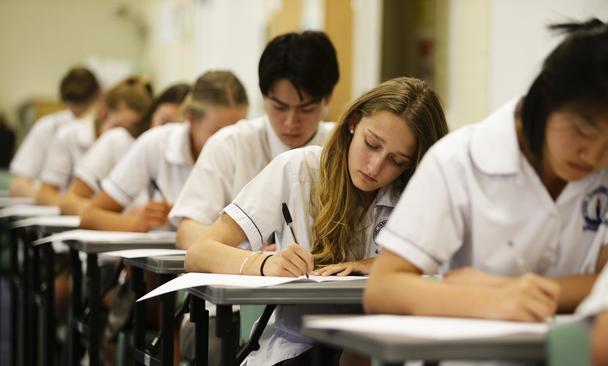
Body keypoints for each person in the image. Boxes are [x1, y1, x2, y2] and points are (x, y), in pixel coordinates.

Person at [364, 19, 608, 324]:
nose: (594, 155)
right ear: (547, 96)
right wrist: (490, 301)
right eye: (582, 131)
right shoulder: (459, 160)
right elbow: (384, 290)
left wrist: (506, 289)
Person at [185, 77, 449, 366]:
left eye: (397, 161)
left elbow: (450, 264)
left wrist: (377, 266)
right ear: (352, 123)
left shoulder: (412, 191)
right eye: (371, 144)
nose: (375, 167)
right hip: (297, 348)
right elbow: (200, 252)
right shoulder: (298, 170)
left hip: (386, 347)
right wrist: (264, 263)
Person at [170, 30, 340, 250]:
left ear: (328, 97)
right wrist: (250, 252)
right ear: (263, 96)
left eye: (305, 109)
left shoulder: (343, 148)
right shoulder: (230, 145)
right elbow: (188, 232)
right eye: (279, 107)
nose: (291, 121)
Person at [79, 70, 248, 232]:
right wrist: (136, 223)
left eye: (237, 131)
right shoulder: (156, 143)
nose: (229, 143)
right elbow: (90, 216)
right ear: (191, 119)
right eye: (217, 132)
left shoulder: (250, 147)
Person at [59, 83, 190, 215]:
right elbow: (70, 201)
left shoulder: (191, 159)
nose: (170, 133)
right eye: (165, 122)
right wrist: (117, 217)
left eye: (181, 127)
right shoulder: (118, 141)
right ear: (152, 115)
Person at [34, 76, 153, 206]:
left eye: (131, 131)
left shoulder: (129, 145)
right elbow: (44, 195)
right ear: (103, 111)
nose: (123, 136)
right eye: (118, 126)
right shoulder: (68, 136)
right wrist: (96, 212)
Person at [9, 66, 100, 197]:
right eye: (72, 105)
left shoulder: (107, 132)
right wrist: (54, 200)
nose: (77, 111)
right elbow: (19, 185)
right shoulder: (48, 127)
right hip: (54, 207)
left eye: (83, 106)